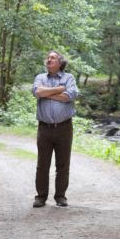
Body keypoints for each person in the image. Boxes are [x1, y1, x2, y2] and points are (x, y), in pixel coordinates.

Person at [31, 50, 79, 208]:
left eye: (52, 58)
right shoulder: (40, 77)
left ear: (60, 63)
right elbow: (37, 91)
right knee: (42, 164)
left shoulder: (69, 78)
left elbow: (70, 96)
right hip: (44, 128)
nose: (48, 60)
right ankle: (41, 197)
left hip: (64, 128)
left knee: (63, 164)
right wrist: (59, 89)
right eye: (48, 58)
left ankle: (60, 196)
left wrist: (47, 93)